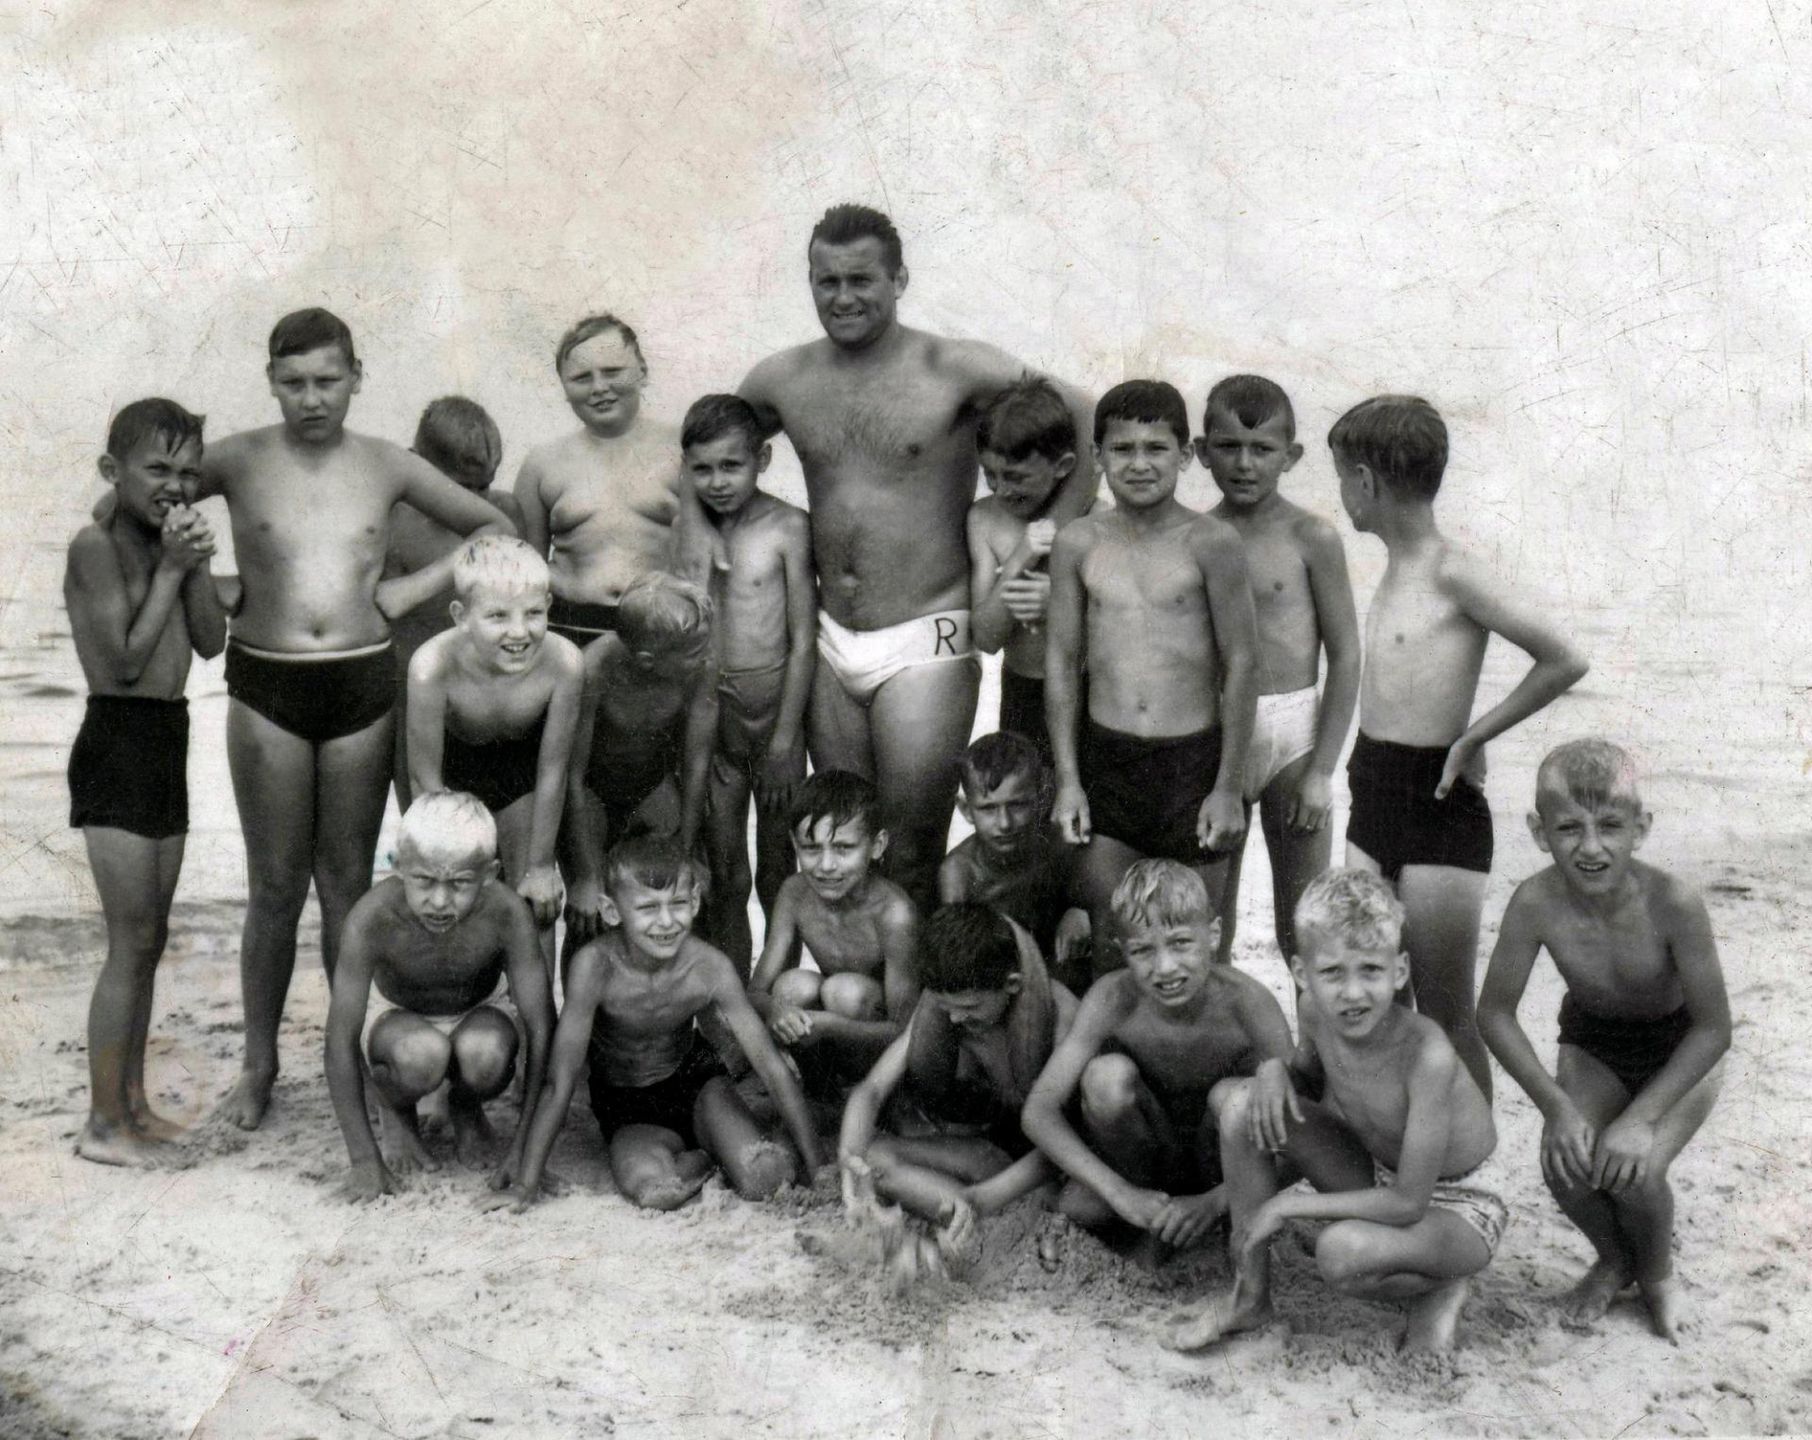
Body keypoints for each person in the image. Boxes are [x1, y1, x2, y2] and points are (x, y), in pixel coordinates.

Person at [683, 205, 1097, 908]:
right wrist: (695, 521)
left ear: (898, 279)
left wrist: (1051, 534)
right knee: (846, 841)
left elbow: (1085, 415)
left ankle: (921, 982)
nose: (843, 297)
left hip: (925, 635)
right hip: (832, 639)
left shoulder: (955, 367)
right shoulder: (782, 379)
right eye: (827, 281)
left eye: (861, 280)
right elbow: (703, 444)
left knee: (909, 848)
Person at [196, 308, 508, 1129]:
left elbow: (495, 526)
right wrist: (203, 575)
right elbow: (128, 501)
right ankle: (259, 1067)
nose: (312, 398)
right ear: (271, 380)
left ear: (357, 377)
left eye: (328, 380)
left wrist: (413, 588)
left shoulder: (387, 464)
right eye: (294, 382)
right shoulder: (235, 458)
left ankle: (350, 1064)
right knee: (273, 887)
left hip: (361, 684)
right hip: (267, 681)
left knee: (344, 887)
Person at [1331, 394, 1589, 1094]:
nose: (1343, 495)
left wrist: (1476, 733)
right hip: (1372, 786)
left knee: (1446, 1014)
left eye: (1342, 479)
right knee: (1379, 1001)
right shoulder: (1397, 564)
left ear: (1365, 481)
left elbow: (1564, 657)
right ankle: (1408, 1137)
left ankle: (1472, 1146)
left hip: (1437, 801)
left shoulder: (1453, 570)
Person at [1167, 868, 1504, 1355]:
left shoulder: (1426, 1053)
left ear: (1400, 971)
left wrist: (1285, 1205)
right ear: (1302, 974)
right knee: (1240, 1104)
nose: (1352, 993)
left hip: (1461, 1205)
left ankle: (1441, 1284)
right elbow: (1305, 1081)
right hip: (1380, 1173)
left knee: (1340, 1252)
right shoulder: (1313, 1011)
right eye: (1331, 973)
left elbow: (1409, 1203)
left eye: (1370, 970)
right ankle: (1249, 1298)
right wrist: (1274, 1071)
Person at [1477, 740, 1729, 1340]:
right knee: (1567, 1167)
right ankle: (1615, 1261)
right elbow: (1494, 1013)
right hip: (1594, 1044)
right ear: (1539, 832)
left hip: (1680, 1047)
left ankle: (1658, 1276)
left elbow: (1714, 1028)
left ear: (1641, 828)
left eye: (1610, 826)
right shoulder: (1534, 902)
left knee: (1634, 1173)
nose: (1591, 847)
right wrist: (1557, 1107)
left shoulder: (1673, 902)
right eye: (1569, 828)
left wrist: (1640, 1119)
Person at [1046, 381, 1259, 970]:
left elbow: (1243, 662)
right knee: (1117, 944)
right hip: (1107, 760)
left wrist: (1227, 787)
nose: (1139, 464)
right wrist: (1069, 780)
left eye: (1156, 448)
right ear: (1097, 456)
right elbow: (1061, 662)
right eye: (1122, 449)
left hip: (1191, 763)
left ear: (1185, 455)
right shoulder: (1078, 542)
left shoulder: (1212, 542)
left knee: (1197, 949)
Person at [493, 835, 825, 1211]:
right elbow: (561, 1081)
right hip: (626, 1104)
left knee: (765, 1179)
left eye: (678, 904)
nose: (666, 922)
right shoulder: (595, 966)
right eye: (648, 908)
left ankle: (759, 1142)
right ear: (611, 911)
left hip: (697, 1085)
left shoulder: (708, 966)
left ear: (694, 901)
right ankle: (708, 1156)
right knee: (655, 1191)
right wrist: (526, 1183)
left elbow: (770, 1067)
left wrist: (820, 1168)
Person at [65, 399, 227, 1166]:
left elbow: (211, 641)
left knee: (150, 940)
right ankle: (103, 1125)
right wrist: (172, 565)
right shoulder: (93, 547)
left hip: (167, 735)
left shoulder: (169, 542)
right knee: (128, 942)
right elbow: (126, 662)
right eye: (157, 469)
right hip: (117, 740)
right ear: (113, 471)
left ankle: (131, 1105)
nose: (175, 485)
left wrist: (193, 562)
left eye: (189, 472)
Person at [1020, 861, 1295, 1263]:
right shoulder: (1112, 998)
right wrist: (1121, 1194)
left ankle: (1217, 1222)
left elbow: (1306, 1135)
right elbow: (1039, 1111)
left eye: (1181, 943)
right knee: (1105, 1081)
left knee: (1233, 1096)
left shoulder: (1249, 1003)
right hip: (1144, 1168)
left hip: (1223, 1171)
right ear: (1123, 951)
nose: (1165, 968)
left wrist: (1215, 1201)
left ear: (1214, 934)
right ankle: (1149, 1222)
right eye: (1143, 950)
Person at [1195, 375, 1359, 965]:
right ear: (1201, 450)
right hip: (1216, 734)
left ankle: (1312, 1031)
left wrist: (1323, 771)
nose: (1245, 464)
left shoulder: (1311, 536)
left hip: (1295, 735)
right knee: (1211, 925)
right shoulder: (1195, 536)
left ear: (1290, 456)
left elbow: (1346, 655)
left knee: (1304, 929)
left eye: (1262, 449)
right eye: (1229, 447)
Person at [323, 792, 555, 1200]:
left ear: (490, 873)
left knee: (487, 1055)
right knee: (421, 1056)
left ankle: (464, 1105)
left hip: (479, 1008)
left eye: (460, 883)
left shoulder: (507, 913)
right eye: (424, 881)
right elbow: (339, 1040)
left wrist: (523, 1151)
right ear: (397, 866)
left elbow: (542, 1028)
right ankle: (396, 1112)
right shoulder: (371, 917)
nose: (441, 901)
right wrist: (363, 1160)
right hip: (397, 1018)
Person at [838, 903, 1078, 1265]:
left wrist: (989, 1195)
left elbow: (1070, 1140)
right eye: (946, 1007)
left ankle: (991, 1221)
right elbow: (871, 1090)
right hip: (988, 1155)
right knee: (874, 1159)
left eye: (969, 1007)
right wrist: (849, 1163)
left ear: (1012, 985)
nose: (954, 1018)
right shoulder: (951, 1001)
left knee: (1073, 1202)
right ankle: (977, 1222)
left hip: (1042, 1169)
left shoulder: (1061, 1015)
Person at [405, 536, 584, 971]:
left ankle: (537, 1012)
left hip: (522, 774)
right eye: (498, 616)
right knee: (458, 897)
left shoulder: (564, 662)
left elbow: (553, 770)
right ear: (461, 616)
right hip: (450, 780)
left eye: (534, 613)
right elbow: (423, 780)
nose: (519, 632)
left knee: (535, 903)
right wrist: (450, 853)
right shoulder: (431, 666)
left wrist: (541, 866)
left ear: (549, 605)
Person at [681, 394, 815, 974]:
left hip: (775, 719)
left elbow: (803, 640)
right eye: (703, 469)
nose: (717, 482)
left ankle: (777, 991)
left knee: (777, 871)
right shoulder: (690, 532)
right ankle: (729, 995)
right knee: (726, 873)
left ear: (761, 459)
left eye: (731, 466)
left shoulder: (787, 526)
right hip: (715, 724)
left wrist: (786, 740)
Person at [560, 572, 718, 943]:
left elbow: (696, 763)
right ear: (648, 660)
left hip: (651, 785)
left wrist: (686, 850)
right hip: (592, 791)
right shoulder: (593, 668)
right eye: (694, 652)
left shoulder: (700, 670)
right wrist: (586, 875)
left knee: (683, 890)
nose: (706, 656)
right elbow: (572, 775)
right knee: (590, 913)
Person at [382, 397, 524, 809]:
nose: (478, 499)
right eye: (463, 487)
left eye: (486, 484)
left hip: (490, 694)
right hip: (414, 696)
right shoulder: (395, 522)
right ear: (417, 466)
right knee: (426, 813)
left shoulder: (507, 511)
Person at [750, 770, 921, 1089]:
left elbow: (906, 1029)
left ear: (877, 846)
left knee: (844, 991)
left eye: (843, 848)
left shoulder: (894, 913)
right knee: (791, 987)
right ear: (795, 844)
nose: (826, 865)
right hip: (828, 1029)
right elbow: (756, 991)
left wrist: (829, 1026)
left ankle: (872, 1094)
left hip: (879, 1046)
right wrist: (776, 1010)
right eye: (811, 848)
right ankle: (820, 1090)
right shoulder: (795, 892)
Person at [515, 314, 678, 645]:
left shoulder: (682, 450)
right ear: (564, 387)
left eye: (613, 372)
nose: (599, 388)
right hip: (568, 627)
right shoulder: (541, 464)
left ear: (643, 371)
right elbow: (524, 569)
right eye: (581, 378)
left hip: (662, 628)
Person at [967, 376, 1081, 767]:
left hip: (1091, 692)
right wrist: (1021, 557)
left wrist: (1059, 604)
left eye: (1016, 477)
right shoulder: (985, 520)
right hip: (1022, 691)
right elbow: (986, 637)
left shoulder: (1095, 520)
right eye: (990, 474)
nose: (1000, 489)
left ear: (1063, 466)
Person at [937, 731, 1090, 990]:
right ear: (966, 810)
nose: (1005, 823)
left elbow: (1087, 895)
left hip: (1052, 968)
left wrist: (1079, 912)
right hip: (993, 980)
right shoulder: (960, 872)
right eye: (988, 809)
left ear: (1040, 799)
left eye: (1017, 805)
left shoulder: (1053, 845)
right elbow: (958, 953)